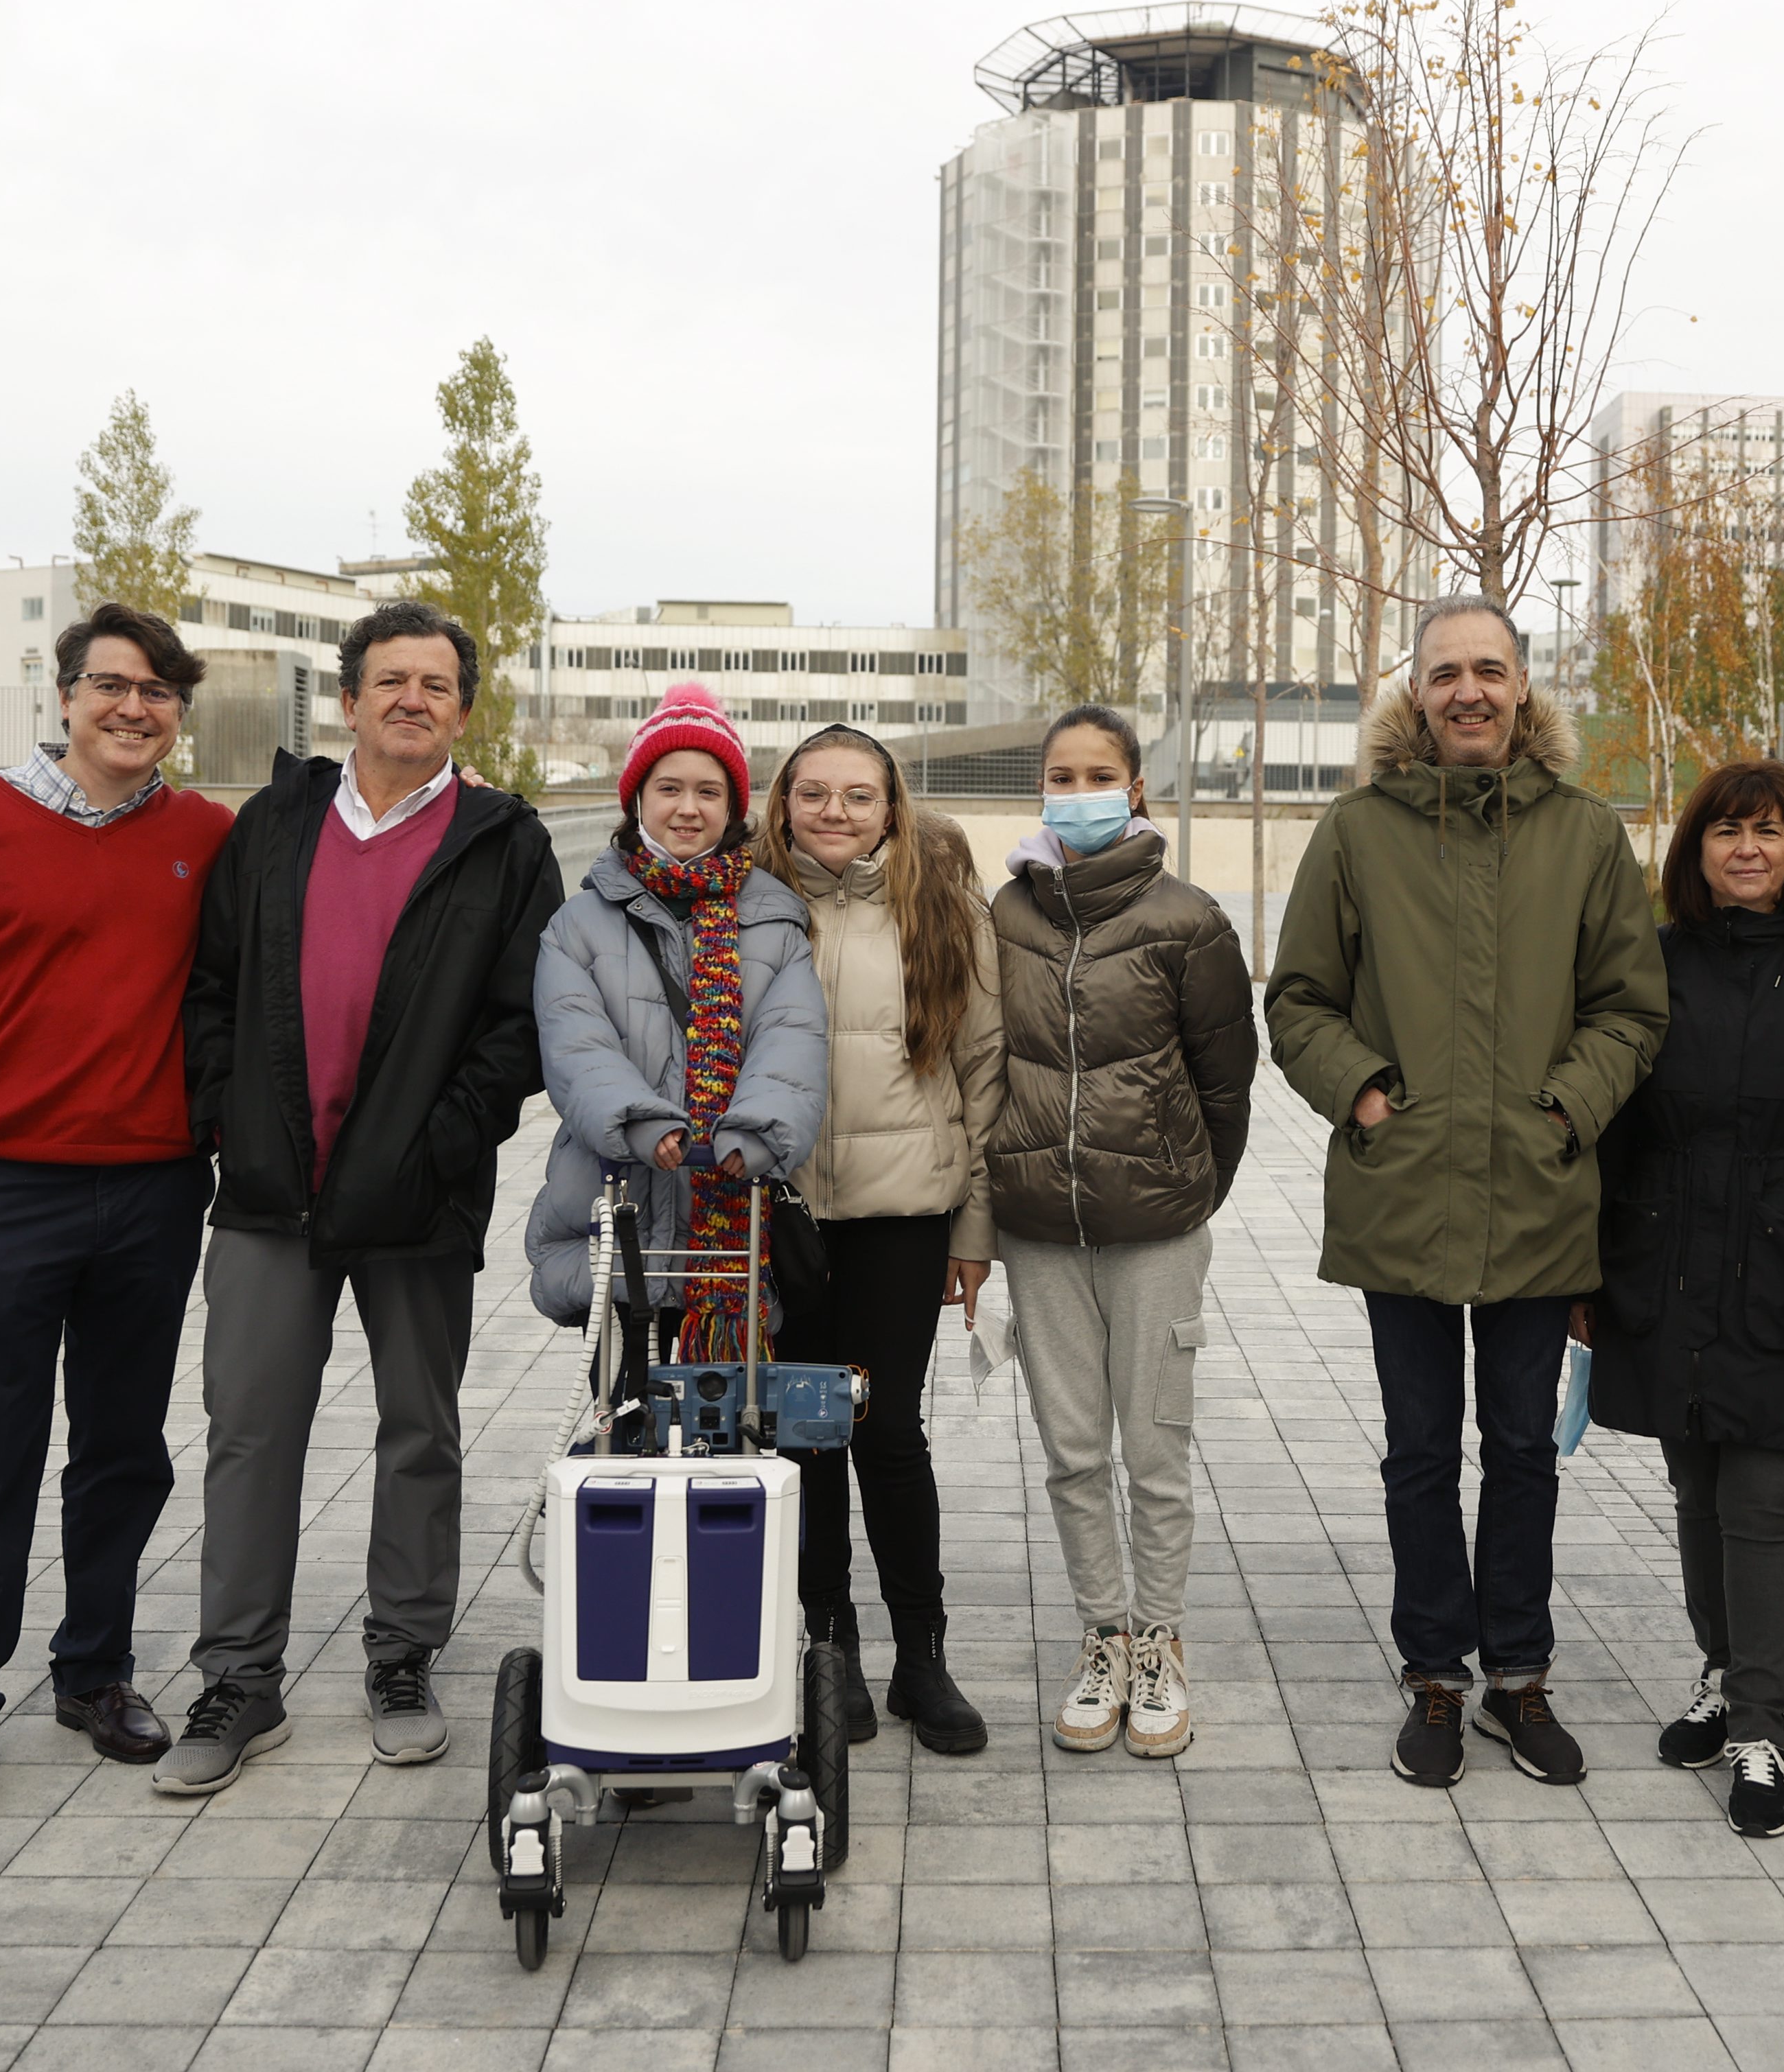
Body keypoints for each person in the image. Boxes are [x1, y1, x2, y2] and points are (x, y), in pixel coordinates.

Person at [156, 602, 562, 1794]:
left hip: (417, 1196)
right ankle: (238, 1678)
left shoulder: (503, 842)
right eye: (391, 680)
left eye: (437, 686)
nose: (412, 701)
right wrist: (227, 1124)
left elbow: (517, 1025)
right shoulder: (273, 825)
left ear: (463, 711)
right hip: (273, 1193)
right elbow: (212, 987)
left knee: (420, 1434)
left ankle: (403, 1656)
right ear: (349, 700)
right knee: (250, 1434)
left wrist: (439, 1145)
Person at [1268, 596, 1667, 1789]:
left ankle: (1521, 1679)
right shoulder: (1356, 833)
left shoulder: (1585, 834)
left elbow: (1633, 1008)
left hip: (1539, 1195)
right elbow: (1296, 1002)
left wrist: (1563, 1111)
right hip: (1404, 1196)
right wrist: (1371, 1096)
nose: (1469, 692)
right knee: (1418, 1453)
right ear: (1415, 691)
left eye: (1489, 670)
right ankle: (1435, 1680)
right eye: (1446, 673)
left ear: (1523, 688)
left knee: (1524, 1450)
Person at [0, 603, 232, 1826]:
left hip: (155, 1190)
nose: (135, 708)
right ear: (64, 696)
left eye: (159, 692)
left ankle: (96, 1673)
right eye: (113, 686)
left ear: (178, 712)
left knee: (123, 1454)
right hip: (2, 1190)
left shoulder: (205, 837)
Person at [1588, 758, 1784, 1839]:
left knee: (1764, 1503)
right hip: (1666, 1268)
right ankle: (1720, 1674)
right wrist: (1591, 1269)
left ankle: (1763, 1720)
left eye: (1768, 830)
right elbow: (1618, 1122)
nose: (1748, 849)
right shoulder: (1656, 960)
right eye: (1726, 831)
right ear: (1696, 852)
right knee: (1695, 1489)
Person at [988, 703, 1254, 1758]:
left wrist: (1185, 1191)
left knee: (1154, 1451)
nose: (1081, 786)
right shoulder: (1005, 913)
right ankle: (1102, 1635)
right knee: (1068, 1452)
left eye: (1102, 771)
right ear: (1041, 786)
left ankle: (1160, 1641)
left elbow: (1227, 1085)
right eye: (1063, 772)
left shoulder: (1190, 919)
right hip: (1039, 1228)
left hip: (1156, 1230)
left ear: (1137, 787)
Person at [754, 724, 1004, 1752]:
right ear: (783, 803)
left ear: (893, 808)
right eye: (814, 793)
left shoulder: (944, 907)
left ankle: (921, 1655)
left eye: (860, 796)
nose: (835, 814)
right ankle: (830, 1647)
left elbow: (985, 1068)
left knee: (888, 1432)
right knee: (806, 1433)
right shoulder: (752, 905)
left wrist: (975, 1228)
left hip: (906, 1210)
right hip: (789, 1212)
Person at [524, 675, 827, 1491]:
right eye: (669, 788)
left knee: (733, 1454)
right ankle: (628, 1615)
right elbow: (575, 1043)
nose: (687, 808)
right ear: (637, 799)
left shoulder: (774, 917)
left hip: (731, 1234)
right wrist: (643, 1125)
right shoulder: (578, 923)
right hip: (620, 1218)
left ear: (734, 805)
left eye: (708, 790)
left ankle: (723, 1614)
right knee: (622, 1447)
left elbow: (791, 1039)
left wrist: (752, 1133)